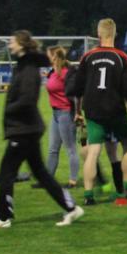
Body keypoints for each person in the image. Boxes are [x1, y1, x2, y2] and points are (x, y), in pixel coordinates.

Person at [0, 31, 84, 228]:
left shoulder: (27, 68)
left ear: (21, 44)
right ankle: (71, 208)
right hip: (28, 128)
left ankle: (2, 217)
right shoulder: (25, 65)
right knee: (41, 173)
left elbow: (27, 100)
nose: (10, 44)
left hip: (23, 129)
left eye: (12, 41)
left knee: (7, 172)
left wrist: (9, 109)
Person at [75, 19, 127, 204]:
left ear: (98, 34)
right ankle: (125, 188)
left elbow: (78, 89)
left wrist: (78, 112)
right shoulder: (122, 57)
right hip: (115, 110)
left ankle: (89, 196)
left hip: (93, 110)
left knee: (93, 151)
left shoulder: (87, 57)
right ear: (114, 34)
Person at [42, 46, 80, 188]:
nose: (46, 57)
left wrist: (77, 113)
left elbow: (76, 94)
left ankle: (73, 180)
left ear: (54, 57)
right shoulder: (53, 72)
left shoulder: (66, 73)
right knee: (53, 149)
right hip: (55, 114)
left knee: (70, 149)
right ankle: (47, 180)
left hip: (66, 114)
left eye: (48, 55)